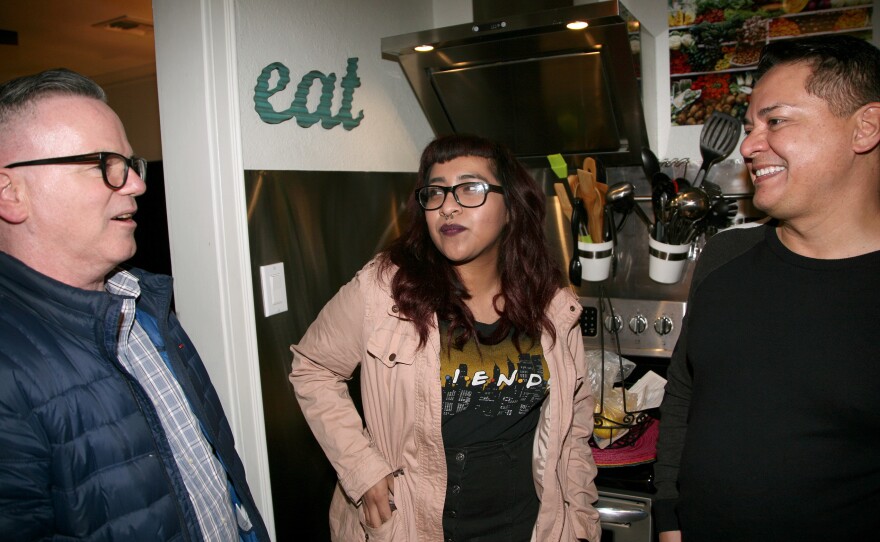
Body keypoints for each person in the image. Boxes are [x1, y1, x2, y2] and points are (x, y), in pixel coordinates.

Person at [0, 69, 270, 541]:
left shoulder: (145, 306)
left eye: (129, 163)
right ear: (11, 194)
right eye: (103, 163)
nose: (136, 186)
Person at [289, 134, 601, 541]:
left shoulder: (553, 308)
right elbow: (312, 368)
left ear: (511, 207)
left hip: (528, 528)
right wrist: (361, 469)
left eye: (470, 188)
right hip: (412, 527)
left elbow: (573, 430)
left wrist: (579, 519)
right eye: (435, 192)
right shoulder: (382, 291)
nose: (448, 205)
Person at [654, 34, 880, 541]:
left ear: (865, 127)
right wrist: (669, 520)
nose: (749, 145)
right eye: (751, 125)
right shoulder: (725, 256)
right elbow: (684, 398)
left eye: (775, 121)